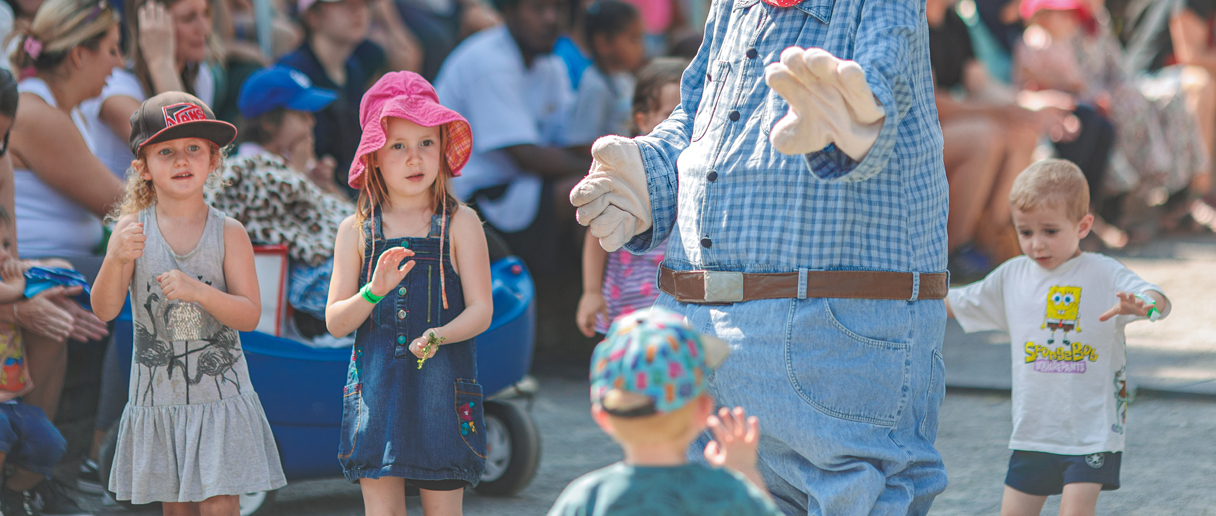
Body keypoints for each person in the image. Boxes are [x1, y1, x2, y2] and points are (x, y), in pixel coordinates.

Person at [570, 0, 953, 513]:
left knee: (852, 491)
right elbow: (698, 114)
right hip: (701, 332)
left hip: (826, 335)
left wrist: (855, 120)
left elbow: (879, 84)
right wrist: (649, 174)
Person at [90, 92, 286, 513]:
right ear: (142, 167)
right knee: (176, 508)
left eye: (193, 148)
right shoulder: (132, 231)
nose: (182, 160)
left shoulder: (229, 232)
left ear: (213, 159)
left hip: (219, 399)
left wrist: (199, 292)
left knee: (219, 504)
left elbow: (250, 314)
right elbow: (104, 310)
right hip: (159, 399)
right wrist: (114, 258)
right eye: (167, 151)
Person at [946, 159, 1171, 516]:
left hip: (1091, 432)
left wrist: (1145, 306)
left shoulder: (1103, 272)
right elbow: (954, 303)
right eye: (1025, 232)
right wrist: (903, 293)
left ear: (1083, 226)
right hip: (1033, 431)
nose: (1036, 244)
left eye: (1050, 231)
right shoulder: (1012, 277)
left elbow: (1156, 299)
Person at [324, 71, 492, 515]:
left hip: (443, 397)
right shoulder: (355, 231)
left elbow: (481, 309)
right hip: (377, 398)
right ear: (374, 156)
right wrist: (373, 292)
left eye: (426, 143)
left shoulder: (461, 223)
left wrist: (439, 335)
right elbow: (337, 321)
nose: (414, 158)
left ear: (441, 149)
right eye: (398, 145)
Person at [548, 308, 784, 516]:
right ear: (704, 410)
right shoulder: (725, 494)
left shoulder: (587, 497)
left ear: (603, 417)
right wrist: (744, 472)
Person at [1016, 0, 1215, 240]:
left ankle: (1179, 196)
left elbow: (1116, 69)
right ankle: (1115, 204)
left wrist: (1117, 92)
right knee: (1114, 118)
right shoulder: (1045, 37)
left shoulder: (1099, 21)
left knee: (1169, 98)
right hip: (1070, 102)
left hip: (1101, 93)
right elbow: (1061, 80)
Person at [435, 0, 589, 273]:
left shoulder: (550, 64)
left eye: (559, 9)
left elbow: (569, 138)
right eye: (539, 9)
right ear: (509, 12)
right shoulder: (489, 61)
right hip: (466, 201)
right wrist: (606, 167)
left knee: (598, 185)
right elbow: (526, 157)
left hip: (515, 184)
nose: (551, 19)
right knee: (589, 190)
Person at [575, 58, 681, 337]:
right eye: (671, 116)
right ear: (642, 120)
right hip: (630, 295)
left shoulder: (702, 169)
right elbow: (597, 232)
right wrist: (590, 292)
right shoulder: (627, 171)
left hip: (679, 297)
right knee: (628, 365)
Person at [278, 0, 421, 197]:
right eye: (343, 4)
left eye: (364, 4)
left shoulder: (353, 70)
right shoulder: (291, 73)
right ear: (312, 16)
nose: (358, 11)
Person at [81, 0, 227, 181]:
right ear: (151, 25)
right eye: (188, 18)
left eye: (205, 13)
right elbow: (185, 153)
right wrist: (161, 63)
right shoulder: (115, 89)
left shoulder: (201, 77)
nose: (204, 28)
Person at [0, 206, 73, 516]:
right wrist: (20, 286)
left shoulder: (8, 272)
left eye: (5, 244)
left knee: (48, 444)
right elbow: (10, 291)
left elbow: (64, 271)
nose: (5, 253)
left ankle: (17, 493)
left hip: (13, 403)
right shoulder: (9, 286)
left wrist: (42, 270)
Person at [566, 0, 646, 150]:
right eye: (633, 39)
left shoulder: (624, 79)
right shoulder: (595, 86)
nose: (641, 48)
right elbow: (582, 143)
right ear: (603, 43)